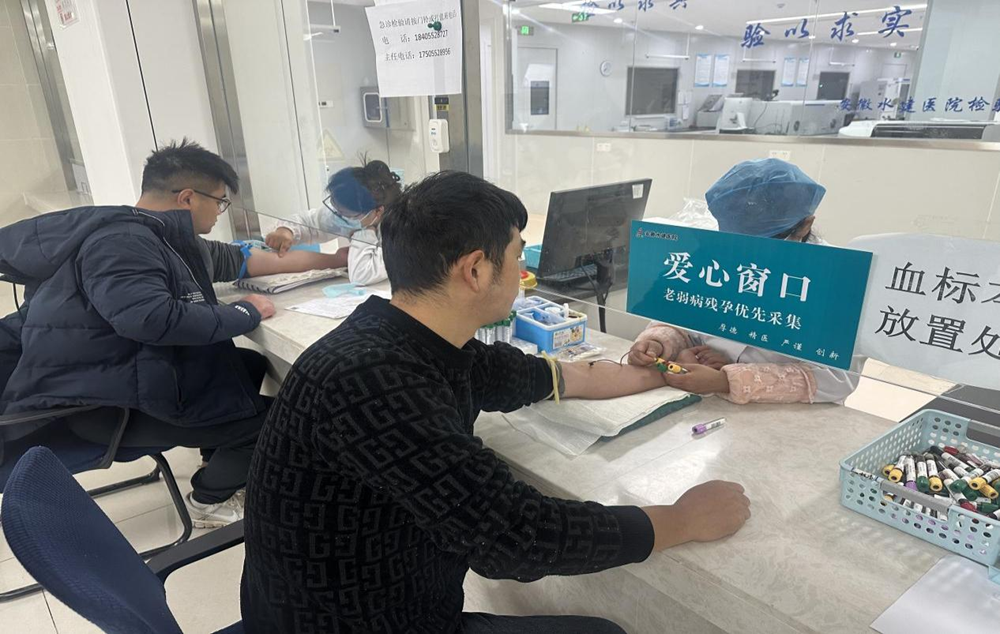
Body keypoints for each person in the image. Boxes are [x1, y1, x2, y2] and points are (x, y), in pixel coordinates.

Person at [241, 171, 751, 634]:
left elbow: (557, 376)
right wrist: (681, 519)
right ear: (476, 270)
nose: (521, 268)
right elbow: (517, 535)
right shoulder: (373, 382)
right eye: (517, 255)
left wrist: (663, 371)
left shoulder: (412, 340)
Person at [0, 140, 345, 527]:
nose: (219, 211)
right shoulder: (121, 243)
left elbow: (244, 261)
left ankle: (218, 459)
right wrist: (244, 312)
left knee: (246, 364)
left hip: (121, 374)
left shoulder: (161, 237)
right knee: (276, 423)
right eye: (219, 201)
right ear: (187, 197)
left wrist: (335, 260)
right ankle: (208, 501)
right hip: (103, 403)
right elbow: (149, 319)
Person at [628, 158, 859, 404]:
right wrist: (659, 340)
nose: (748, 253)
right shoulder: (715, 253)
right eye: (738, 241)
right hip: (708, 400)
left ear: (805, 226)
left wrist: (729, 379)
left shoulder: (837, 280)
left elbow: (838, 379)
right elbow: (682, 316)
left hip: (791, 416)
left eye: (763, 243)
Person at [264, 160, 402, 286]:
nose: (338, 216)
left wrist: (365, 232)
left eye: (347, 214)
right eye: (336, 208)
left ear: (378, 211)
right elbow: (310, 222)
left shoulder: (400, 230)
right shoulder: (352, 213)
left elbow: (361, 275)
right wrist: (286, 230)